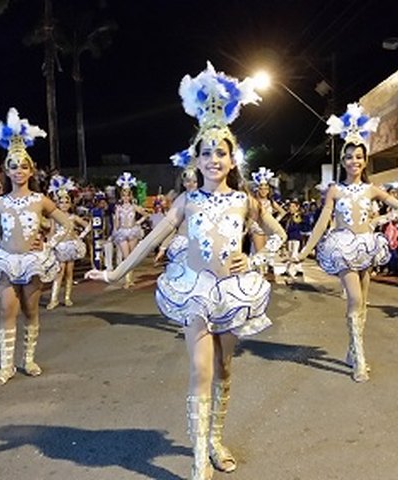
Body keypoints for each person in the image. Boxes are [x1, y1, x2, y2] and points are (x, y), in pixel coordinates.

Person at [87, 62, 284, 480]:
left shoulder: (245, 201)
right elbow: (148, 241)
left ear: (232, 159)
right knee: (201, 370)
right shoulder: (186, 201)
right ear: (196, 158)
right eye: (206, 152)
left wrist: (256, 260)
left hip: (233, 293)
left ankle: (215, 440)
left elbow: (279, 235)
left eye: (221, 152)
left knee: (224, 370)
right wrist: (114, 274)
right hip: (195, 292)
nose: (214, 159)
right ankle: (198, 458)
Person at [293, 103, 398, 383]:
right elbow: (322, 222)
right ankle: (360, 359)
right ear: (342, 161)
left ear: (364, 161)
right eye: (348, 157)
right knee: (354, 298)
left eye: (358, 157)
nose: (353, 161)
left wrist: (378, 221)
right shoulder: (335, 190)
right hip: (343, 247)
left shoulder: (371, 189)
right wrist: (304, 252)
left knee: (363, 302)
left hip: (367, 245)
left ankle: (352, 348)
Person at [0, 108, 73, 386]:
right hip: (6, 261)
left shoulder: (40, 199)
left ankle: (29, 359)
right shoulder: (1, 203)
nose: (19, 171)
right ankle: (6, 366)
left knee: (30, 311)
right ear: (6, 171)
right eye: (13, 166)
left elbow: (66, 224)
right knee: (6, 310)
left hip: (32, 262)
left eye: (23, 166)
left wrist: (49, 243)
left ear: (31, 170)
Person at [46, 175, 90, 310]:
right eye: (61, 202)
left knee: (69, 273)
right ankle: (54, 299)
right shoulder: (54, 217)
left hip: (70, 246)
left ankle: (67, 298)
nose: (64, 204)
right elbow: (51, 232)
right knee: (59, 272)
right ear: (57, 203)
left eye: (66, 202)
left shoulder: (73, 217)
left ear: (70, 204)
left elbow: (88, 226)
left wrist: (80, 237)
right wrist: (49, 246)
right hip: (59, 247)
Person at [112, 172, 148, 288]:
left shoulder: (134, 207)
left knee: (132, 257)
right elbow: (116, 223)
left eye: (127, 195)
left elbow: (146, 215)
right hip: (122, 232)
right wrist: (114, 232)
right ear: (121, 196)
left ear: (130, 196)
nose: (126, 198)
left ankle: (130, 279)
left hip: (133, 231)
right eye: (124, 195)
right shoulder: (118, 208)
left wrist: (138, 222)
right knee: (126, 257)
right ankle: (127, 280)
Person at [249, 167, 286, 277]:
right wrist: (250, 225)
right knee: (259, 255)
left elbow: (282, 212)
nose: (264, 191)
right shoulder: (254, 202)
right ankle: (258, 277)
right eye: (261, 188)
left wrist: (275, 221)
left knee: (267, 255)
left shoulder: (271, 202)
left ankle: (264, 276)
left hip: (269, 231)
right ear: (257, 189)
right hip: (257, 230)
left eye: (266, 188)